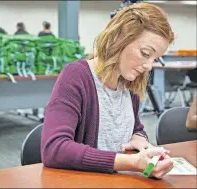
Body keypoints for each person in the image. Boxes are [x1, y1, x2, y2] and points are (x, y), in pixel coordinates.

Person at [41, 3, 175, 179]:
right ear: (120, 39)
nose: (149, 66)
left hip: (119, 180)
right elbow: (54, 149)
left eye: (155, 59)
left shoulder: (129, 80)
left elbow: (137, 128)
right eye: (145, 53)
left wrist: (139, 137)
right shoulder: (76, 76)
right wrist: (131, 163)